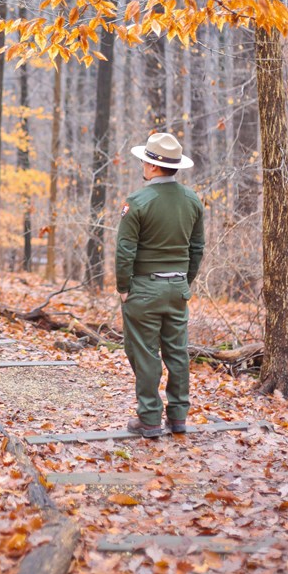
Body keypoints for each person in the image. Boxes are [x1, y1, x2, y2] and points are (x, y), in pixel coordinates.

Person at [115, 132, 205, 438]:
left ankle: (150, 418)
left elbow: (125, 250)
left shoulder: (137, 202)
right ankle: (178, 417)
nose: (142, 163)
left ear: (153, 166)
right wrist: (184, 281)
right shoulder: (192, 200)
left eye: (145, 160)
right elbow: (197, 248)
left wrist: (123, 287)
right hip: (177, 288)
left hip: (143, 289)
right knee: (177, 352)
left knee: (144, 352)